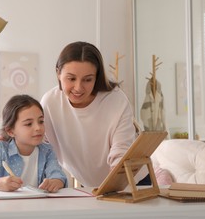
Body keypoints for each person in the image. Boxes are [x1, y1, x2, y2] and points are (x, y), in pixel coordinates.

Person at [40, 41, 137, 187]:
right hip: (92, 187)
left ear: (97, 77)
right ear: (58, 73)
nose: (78, 88)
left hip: (131, 182)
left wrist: (113, 187)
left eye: (87, 79)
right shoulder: (50, 102)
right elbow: (39, 142)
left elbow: (121, 152)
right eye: (71, 78)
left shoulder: (116, 99)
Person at [0, 94, 67, 192]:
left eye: (41, 121)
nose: (38, 128)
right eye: (29, 124)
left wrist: (56, 181)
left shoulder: (47, 150)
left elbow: (58, 175)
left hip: (39, 205)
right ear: (11, 131)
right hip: (6, 206)